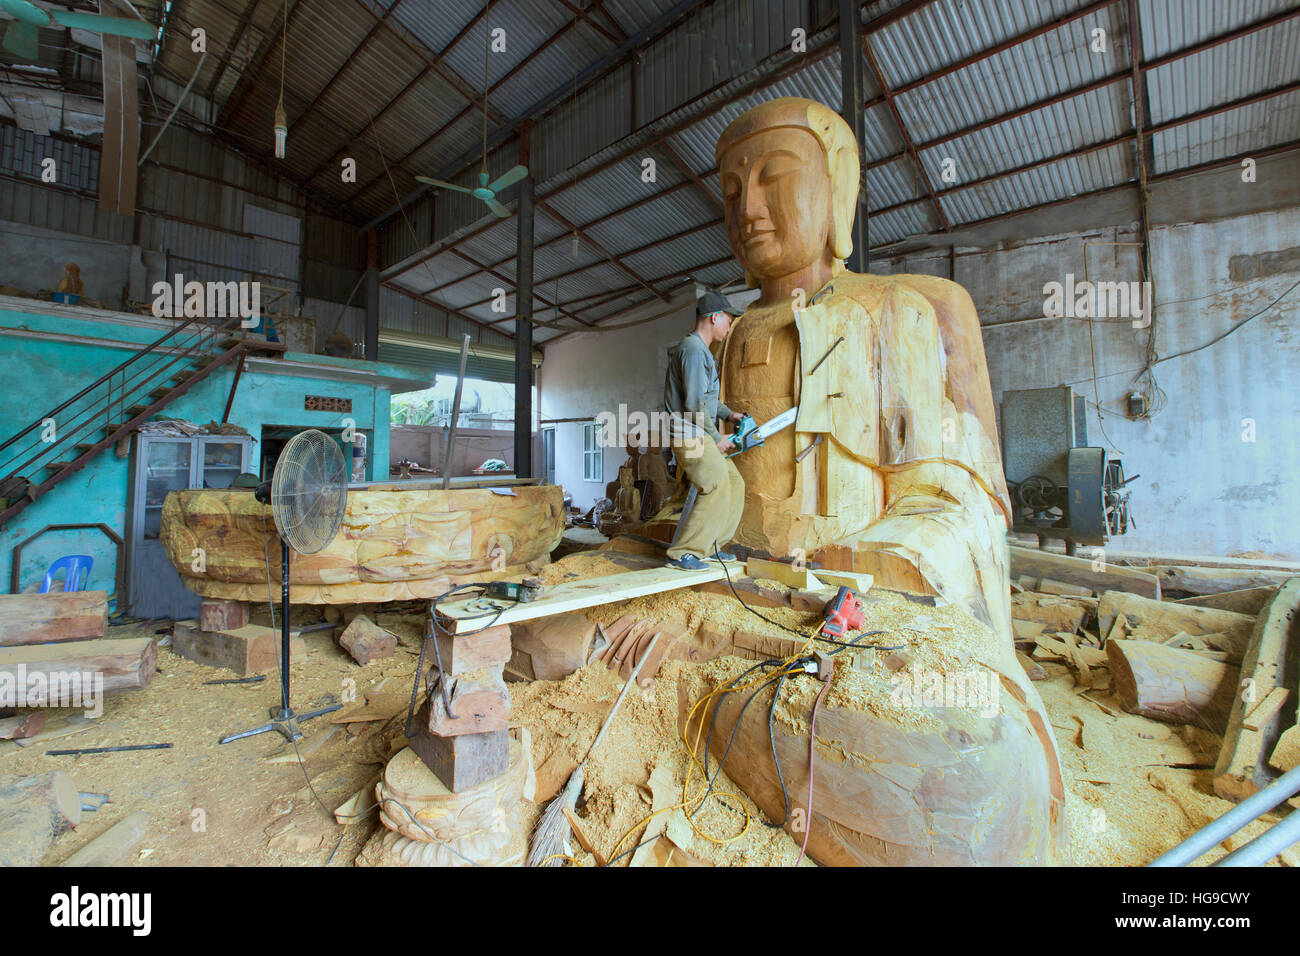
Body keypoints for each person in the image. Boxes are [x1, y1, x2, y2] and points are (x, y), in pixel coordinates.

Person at [661, 291, 746, 570]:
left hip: (700, 432)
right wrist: (717, 437)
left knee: (735, 483)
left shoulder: (702, 352)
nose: (729, 327)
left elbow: (707, 400)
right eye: (728, 321)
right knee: (717, 483)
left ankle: (711, 547)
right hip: (690, 435)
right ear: (714, 317)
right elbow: (695, 404)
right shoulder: (693, 350)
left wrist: (729, 414)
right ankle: (682, 553)